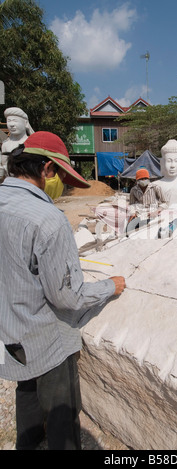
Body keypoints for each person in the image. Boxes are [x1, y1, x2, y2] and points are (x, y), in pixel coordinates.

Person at [0, 131, 126, 450]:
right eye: (59, 175)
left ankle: (28, 443)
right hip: (47, 338)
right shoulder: (48, 219)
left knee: (26, 392)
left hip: (10, 332)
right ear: (46, 170)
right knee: (62, 414)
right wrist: (109, 286)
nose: (60, 185)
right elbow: (67, 297)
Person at [127, 168, 167, 233]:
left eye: (145, 178)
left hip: (152, 214)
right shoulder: (133, 190)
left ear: (148, 179)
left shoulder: (156, 188)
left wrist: (156, 212)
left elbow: (164, 203)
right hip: (139, 214)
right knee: (130, 229)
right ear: (137, 180)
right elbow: (132, 204)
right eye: (141, 179)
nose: (143, 180)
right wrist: (133, 212)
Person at [0, 107, 34, 181]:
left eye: (15, 121)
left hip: (28, 182)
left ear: (25, 123)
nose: (11, 125)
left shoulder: (31, 142)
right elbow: (4, 165)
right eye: (9, 121)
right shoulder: (6, 145)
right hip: (10, 181)